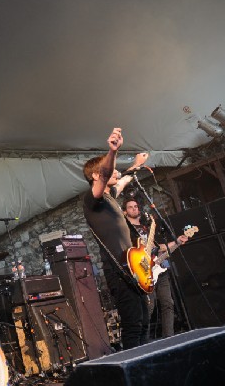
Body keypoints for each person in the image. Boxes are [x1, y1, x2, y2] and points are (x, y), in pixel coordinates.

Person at [82, 128, 149, 350]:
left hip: (133, 269)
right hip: (118, 272)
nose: (115, 171)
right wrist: (112, 152)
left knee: (144, 322)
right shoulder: (93, 200)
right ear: (96, 175)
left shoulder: (111, 198)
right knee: (133, 325)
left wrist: (137, 165)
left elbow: (124, 179)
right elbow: (106, 173)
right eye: (108, 169)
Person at [123, 197, 188, 338]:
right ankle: (144, 341)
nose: (135, 208)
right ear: (124, 212)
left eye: (136, 206)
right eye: (130, 207)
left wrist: (176, 242)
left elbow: (157, 248)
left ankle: (169, 338)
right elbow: (130, 252)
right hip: (143, 271)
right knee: (149, 307)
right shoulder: (127, 231)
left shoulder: (146, 228)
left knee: (168, 303)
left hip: (158, 269)